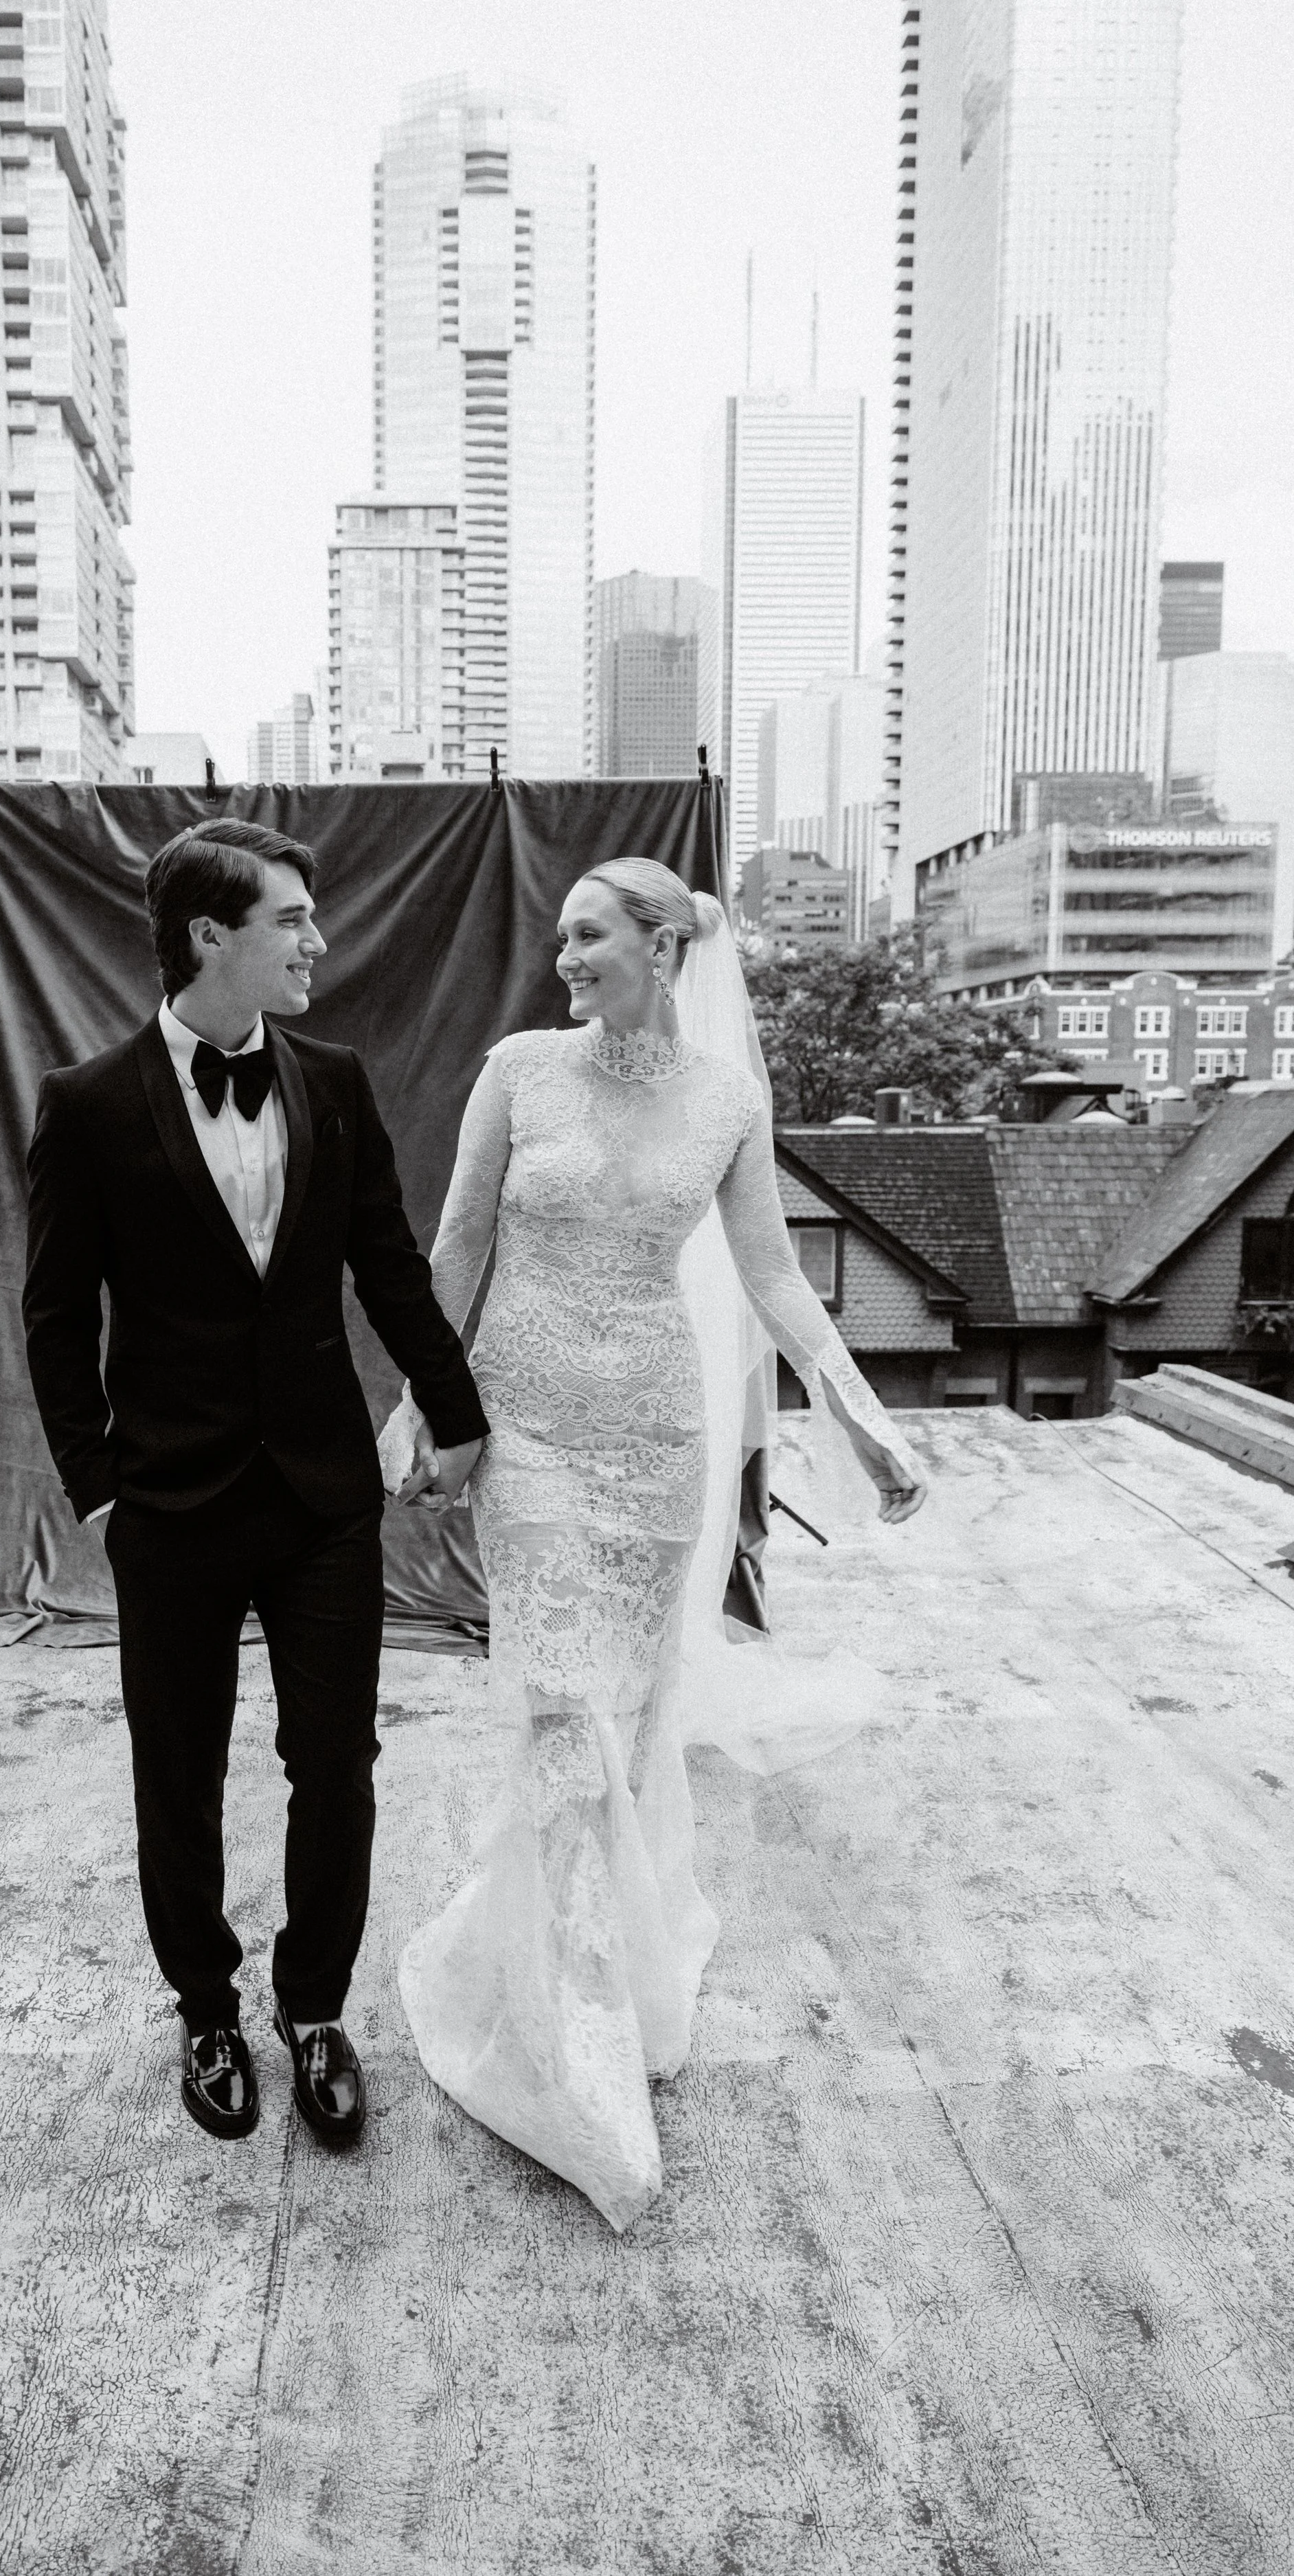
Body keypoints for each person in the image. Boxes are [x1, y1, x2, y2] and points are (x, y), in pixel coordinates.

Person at [378, 857, 928, 2231]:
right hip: (529, 1441)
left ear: (662, 946)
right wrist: (414, 1402)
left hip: (654, 1449)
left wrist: (854, 1416)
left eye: (587, 935)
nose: (562, 957)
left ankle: (568, 1971)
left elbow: (773, 1279)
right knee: (559, 1718)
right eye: (558, 936)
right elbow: (451, 1248)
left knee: (618, 1737)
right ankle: (568, 2061)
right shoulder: (517, 1072)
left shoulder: (728, 1103)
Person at [22, 819, 486, 2148]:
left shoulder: (333, 1080)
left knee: (335, 1763)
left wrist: (454, 1413)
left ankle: (316, 2008)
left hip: (322, 1496)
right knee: (177, 1771)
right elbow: (55, 1318)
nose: (316, 942)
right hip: (168, 1506)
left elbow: (389, 1264)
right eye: (290, 918)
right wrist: (99, 1489)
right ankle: (206, 2008)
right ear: (208, 935)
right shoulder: (90, 1103)